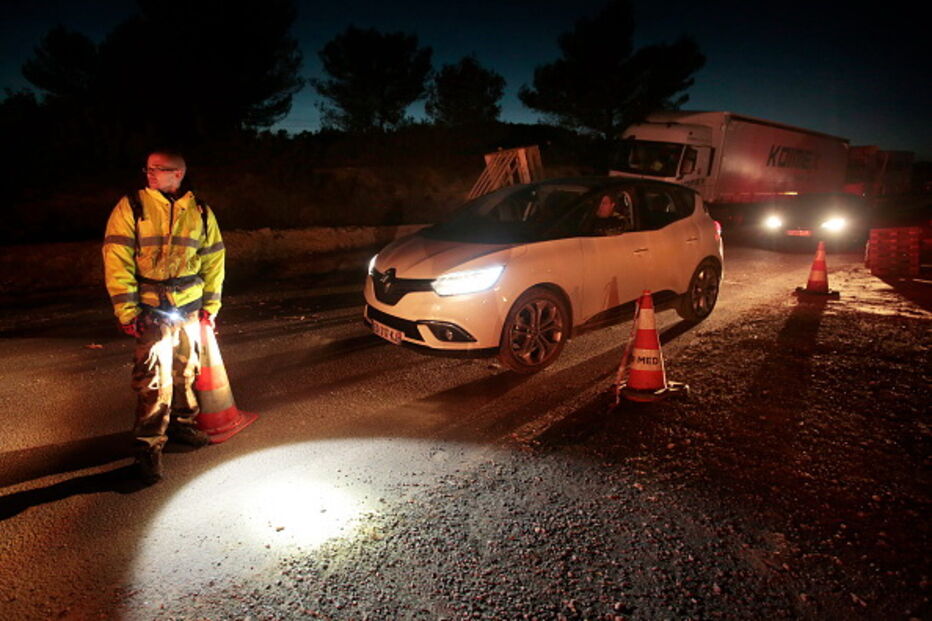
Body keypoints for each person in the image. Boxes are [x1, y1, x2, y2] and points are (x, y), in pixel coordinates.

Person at [103, 150, 226, 484]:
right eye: (149, 168)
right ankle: (148, 448)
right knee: (153, 382)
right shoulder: (132, 206)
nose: (151, 174)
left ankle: (183, 427)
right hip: (150, 311)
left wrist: (210, 308)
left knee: (187, 372)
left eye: (159, 169)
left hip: (189, 308)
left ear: (179, 174)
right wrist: (128, 311)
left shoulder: (200, 211)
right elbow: (117, 260)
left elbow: (214, 260)